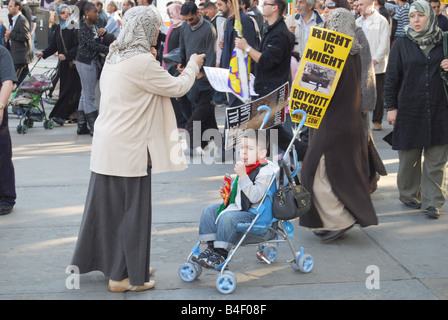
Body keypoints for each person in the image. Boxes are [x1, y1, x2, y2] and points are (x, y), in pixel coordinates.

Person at [70, 6, 205, 292]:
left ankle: (128, 264)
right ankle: (122, 277)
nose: (158, 32)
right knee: (132, 213)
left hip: (108, 146)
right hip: (129, 149)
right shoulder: (142, 61)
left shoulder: (116, 55)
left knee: (106, 212)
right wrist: (193, 64)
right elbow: (178, 87)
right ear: (144, 29)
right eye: (155, 27)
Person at [299, 8, 378, 242]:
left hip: (335, 121)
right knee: (337, 170)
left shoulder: (332, 50)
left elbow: (313, 83)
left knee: (316, 169)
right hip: (345, 121)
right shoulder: (352, 50)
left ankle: (338, 219)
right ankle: (330, 219)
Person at [385, 0, 448, 219]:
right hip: (410, 107)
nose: (416, 20)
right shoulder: (402, 44)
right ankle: (410, 195)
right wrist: (391, 107)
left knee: (437, 158)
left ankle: (433, 202)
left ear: (430, 16)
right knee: (409, 158)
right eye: (412, 16)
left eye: (420, 16)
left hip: (440, 108)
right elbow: (392, 77)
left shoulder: (445, 41)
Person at [235, 0, 308, 161]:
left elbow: (267, 60)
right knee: (267, 130)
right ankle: (267, 159)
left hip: (272, 89)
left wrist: (246, 47)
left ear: (275, 8)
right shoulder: (270, 28)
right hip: (265, 87)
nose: (262, 6)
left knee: (271, 130)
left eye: (266, 3)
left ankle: (303, 152)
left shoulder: (279, 33)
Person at [194, 130, 276, 268]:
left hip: (253, 214)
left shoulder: (265, 171)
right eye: (242, 148)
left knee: (228, 218)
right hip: (238, 206)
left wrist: (243, 176)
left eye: (249, 149)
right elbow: (239, 193)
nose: (243, 152)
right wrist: (229, 192)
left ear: (262, 153)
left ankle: (221, 254)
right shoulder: (246, 166)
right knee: (209, 210)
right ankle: (211, 248)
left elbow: (255, 196)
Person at [178, 1, 218, 155]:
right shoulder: (184, 27)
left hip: (203, 79)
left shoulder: (209, 29)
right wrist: (180, 64)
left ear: (198, 13)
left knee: (200, 112)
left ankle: (196, 144)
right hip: (188, 75)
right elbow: (183, 47)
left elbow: (211, 55)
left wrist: (203, 74)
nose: (188, 23)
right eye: (186, 20)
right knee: (206, 117)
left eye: (191, 19)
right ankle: (213, 141)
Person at [35, 4, 81, 126]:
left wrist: (67, 55)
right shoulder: (59, 28)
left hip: (73, 65)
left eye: (68, 13)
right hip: (63, 65)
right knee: (66, 90)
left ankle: (59, 116)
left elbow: (79, 46)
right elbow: (53, 46)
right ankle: (72, 115)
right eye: (63, 13)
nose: (66, 15)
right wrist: (43, 53)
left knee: (70, 91)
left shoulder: (74, 27)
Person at [75, 0, 109, 136]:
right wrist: (110, 49)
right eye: (94, 11)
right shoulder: (82, 28)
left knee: (85, 93)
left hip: (91, 61)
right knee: (89, 95)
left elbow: (102, 35)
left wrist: (104, 31)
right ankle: (94, 126)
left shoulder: (96, 24)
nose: (97, 13)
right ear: (86, 13)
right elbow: (92, 45)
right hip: (85, 62)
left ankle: (82, 125)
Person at [356, 0, 390, 131]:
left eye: (362, 5)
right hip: (360, 64)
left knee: (378, 93)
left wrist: (375, 60)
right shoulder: (357, 22)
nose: (359, 8)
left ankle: (377, 120)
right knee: (360, 91)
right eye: (358, 5)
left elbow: (384, 44)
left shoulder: (382, 21)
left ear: (371, 4)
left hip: (377, 64)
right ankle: (360, 115)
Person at [0, 45, 17, 216]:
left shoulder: (1, 52)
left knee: (2, 155)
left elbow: (7, 81)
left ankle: (6, 197)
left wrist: (0, 106)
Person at [5, 0, 33, 85]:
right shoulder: (13, 19)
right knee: (23, 81)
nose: (8, 8)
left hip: (21, 56)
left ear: (17, 7)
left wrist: (11, 34)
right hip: (16, 55)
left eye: (10, 6)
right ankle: (22, 96)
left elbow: (25, 36)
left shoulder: (22, 20)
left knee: (15, 79)